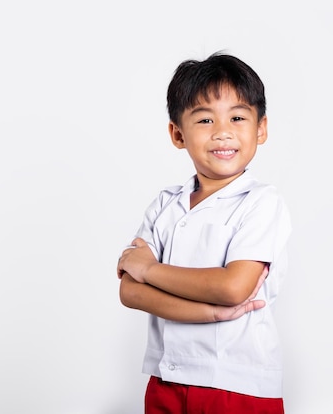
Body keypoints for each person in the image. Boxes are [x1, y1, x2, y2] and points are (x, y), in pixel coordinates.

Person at [116, 52, 291, 414]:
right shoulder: (166, 204)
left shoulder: (261, 202)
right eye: (205, 119)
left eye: (238, 117)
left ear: (261, 128)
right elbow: (129, 291)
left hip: (237, 384)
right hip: (167, 378)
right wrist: (208, 313)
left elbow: (233, 287)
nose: (222, 131)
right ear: (177, 134)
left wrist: (148, 270)